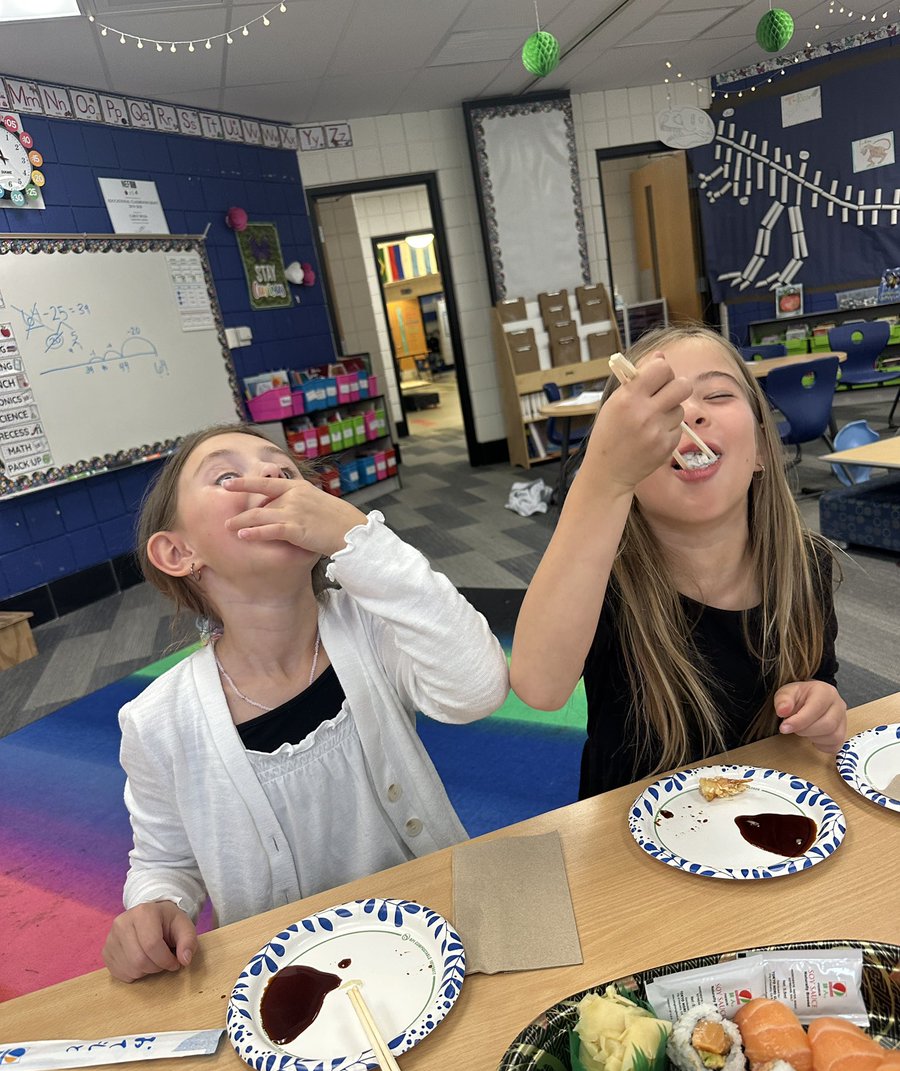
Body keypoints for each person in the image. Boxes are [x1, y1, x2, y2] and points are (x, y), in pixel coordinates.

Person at [103, 423, 509, 982]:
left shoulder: (370, 625)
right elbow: (164, 860)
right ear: (179, 552)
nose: (269, 476)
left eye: (284, 470)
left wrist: (361, 539)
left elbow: (477, 689)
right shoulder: (156, 722)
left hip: (436, 938)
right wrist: (156, 904)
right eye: (226, 475)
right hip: (286, 981)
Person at [510, 324, 847, 799]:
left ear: (762, 451)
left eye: (717, 394)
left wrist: (824, 707)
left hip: (766, 824)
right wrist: (603, 479)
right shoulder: (604, 583)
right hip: (637, 842)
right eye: (663, 409)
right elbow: (538, 686)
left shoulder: (806, 564)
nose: (689, 412)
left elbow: (822, 684)